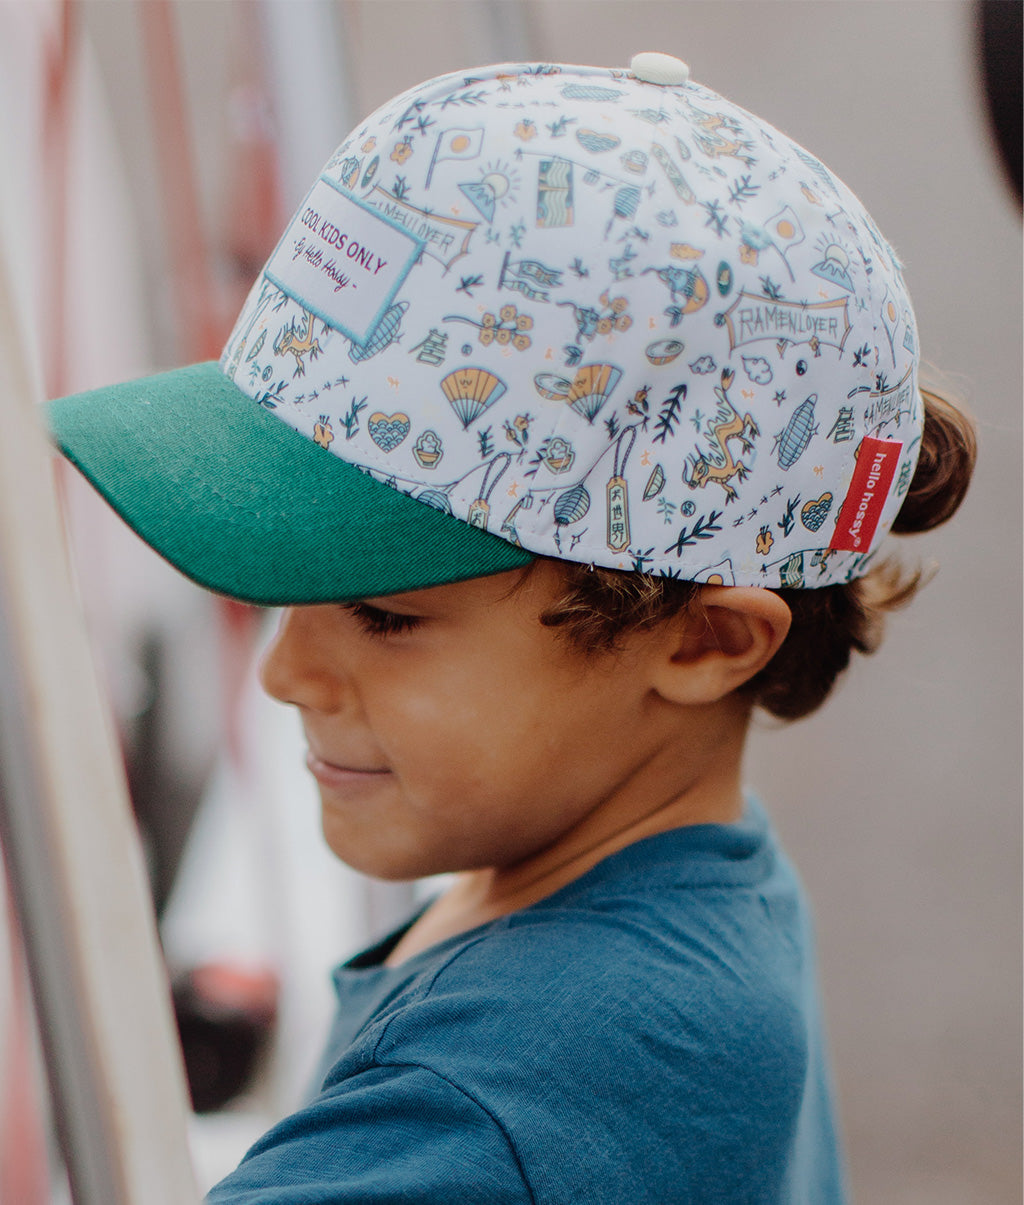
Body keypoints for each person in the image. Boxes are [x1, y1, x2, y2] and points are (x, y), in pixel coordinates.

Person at [47, 52, 975, 1203]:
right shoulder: (668, 882)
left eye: (385, 613)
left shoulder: (513, 1095)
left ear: (702, 640)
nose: (286, 671)